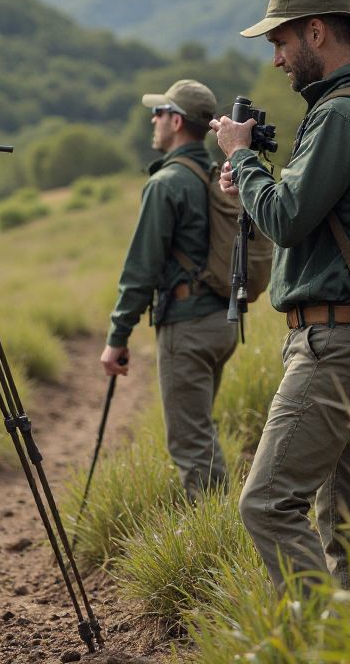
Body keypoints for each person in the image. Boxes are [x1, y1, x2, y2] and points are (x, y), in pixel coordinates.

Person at [210, 0, 350, 592]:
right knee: (348, 522)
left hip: (337, 342)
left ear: (316, 32)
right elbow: (314, 215)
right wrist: (252, 181)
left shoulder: (340, 115)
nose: (275, 60)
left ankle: (319, 641)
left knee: (266, 505)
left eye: (280, 42)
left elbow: (290, 220)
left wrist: (241, 157)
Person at [100, 79, 236, 500]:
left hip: (188, 326)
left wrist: (117, 338)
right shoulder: (216, 174)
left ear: (176, 121)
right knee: (201, 429)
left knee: (191, 444)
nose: (153, 121)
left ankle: (214, 538)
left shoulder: (166, 184)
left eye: (158, 113)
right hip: (222, 321)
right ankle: (218, 522)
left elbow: (141, 269)